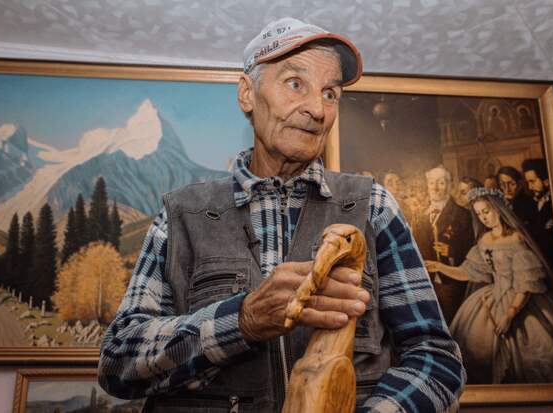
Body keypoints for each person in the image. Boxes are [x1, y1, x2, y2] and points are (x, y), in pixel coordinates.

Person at [97, 17, 465, 412]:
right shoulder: (181, 215)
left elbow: (436, 359)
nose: (317, 109)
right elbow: (118, 362)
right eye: (295, 84)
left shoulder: (372, 205)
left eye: (330, 93)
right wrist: (242, 320)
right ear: (247, 94)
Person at [425, 188, 553, 384]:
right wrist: (440, 267)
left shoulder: (516, 239)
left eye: (486, 211)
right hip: (491, 298)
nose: (483, 218)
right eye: (479, 214)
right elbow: (468, 272)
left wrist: (510, 314)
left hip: (521, 301)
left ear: (498, 208)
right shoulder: (484, 240)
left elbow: (525, 283)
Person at [414, 166, 474, 324]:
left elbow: (472, 250)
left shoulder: (462, 215)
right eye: (431, 183)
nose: (435, 188)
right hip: (426, 283)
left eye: (440, 183)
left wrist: (452, 251)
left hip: (451, 283)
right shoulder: (420, 215)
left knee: (451, 325)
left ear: (449, 185)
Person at [522, 158, 553, 301]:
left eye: (533, 181)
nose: (530, 186)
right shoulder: (533, 202)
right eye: (528, 182)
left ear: (546, 181)